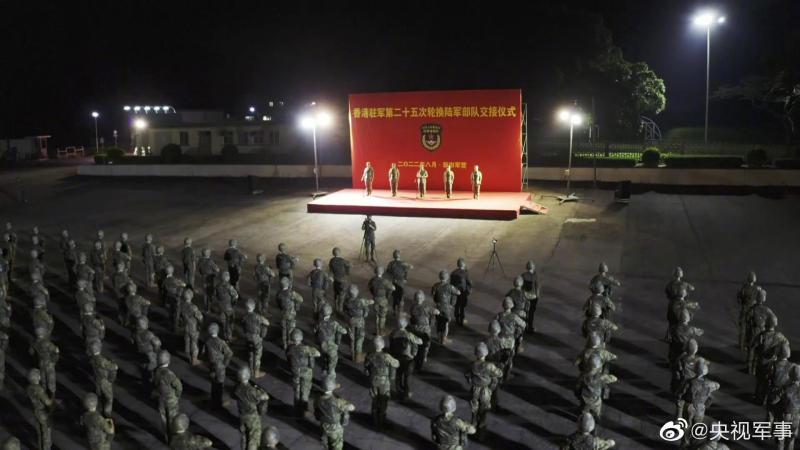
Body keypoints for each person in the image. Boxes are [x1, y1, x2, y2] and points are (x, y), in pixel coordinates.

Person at [465, 342, 503, 438]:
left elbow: (466, 374)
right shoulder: (489, 365)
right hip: (485, 390)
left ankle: (473, 426)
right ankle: (481, 429)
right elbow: (499, 374)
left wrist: (470, 381)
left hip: (474, 389)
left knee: (474, 409)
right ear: (486, 353)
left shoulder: (472, 364)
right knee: (484, 410)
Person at [677, 358, 720, 437]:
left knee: (686, 425)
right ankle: (693, 441)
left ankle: (685, 441)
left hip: (689, 406)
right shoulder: (708, 384)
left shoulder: (689, 382)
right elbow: (717, 387)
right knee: (697, 427)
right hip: (700, 408)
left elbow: (680, 394)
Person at [365, 335, 399, 429]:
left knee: (374, 399)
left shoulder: (369, 356)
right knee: (383, 400)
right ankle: (381, 420)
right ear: (383, 345)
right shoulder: (386, 357)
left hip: (373, 380)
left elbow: (366, 368)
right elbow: (396, 364)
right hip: (384, 382)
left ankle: (374, 419)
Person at [315, 377, 355, 450]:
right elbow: (352, 407)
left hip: (324, 426)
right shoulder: (337, 401)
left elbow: (317, 415)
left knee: (326, 445)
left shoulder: (318, 400)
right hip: (335, 428)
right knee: (337, 446)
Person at [287, 328, 320, 416]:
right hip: (306, 372)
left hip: (295, 371)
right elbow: (318, 354)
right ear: (301, 337)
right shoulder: (305, 348)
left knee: (296, 390)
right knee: (305, 390)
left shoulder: (289, 348)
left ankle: (296, 408)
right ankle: (304, 410)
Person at [235, 367, 270, 450]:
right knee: (253, 440)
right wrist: (260, 390)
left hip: (242, 416)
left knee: (244, 438)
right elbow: (265, 397)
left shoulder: (237, 389)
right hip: (252, 417)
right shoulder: (251, 390)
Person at [576, 354, 618, 421]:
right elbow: (614, 378)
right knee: (597, 406)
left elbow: (578, 385)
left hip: (585, 397)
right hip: (595, 398)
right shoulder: (601, 377)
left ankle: (583, 417)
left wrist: (577, 393)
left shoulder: (583, 375)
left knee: (583, 408)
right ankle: (596, 416)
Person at [389, 316, 422, 400]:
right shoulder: (408, 335)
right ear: (406, 324)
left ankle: (398, 390)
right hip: (407, 358)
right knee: (407, 376)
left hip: (396, 357)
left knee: (398, 375)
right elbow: (420, 341)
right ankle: (407, 392)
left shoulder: (393, 333)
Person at [153, 350, 182, 443]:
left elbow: (155, 384)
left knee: (164, 419)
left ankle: (167, 439)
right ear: (168, 361)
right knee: (173, 419)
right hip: (171, 400)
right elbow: (178, 386)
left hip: (161, 399)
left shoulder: (156, 371)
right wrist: (177, 395)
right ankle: (174, 439)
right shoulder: (169, 374)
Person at [203, 322, 233, 408]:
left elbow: (204, 354)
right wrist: (225, 364)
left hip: (211, 366)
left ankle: (213, 400)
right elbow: (229, 353)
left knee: (213, 383)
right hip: (220, 366)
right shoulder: (221, 342)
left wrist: (208, 362)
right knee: (220, 384)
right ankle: (218, 403)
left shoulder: (207, 341)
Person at [316, 303, 348, 381]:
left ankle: (324, 373)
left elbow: (316, 332)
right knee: (332, 363)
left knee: (325, 359)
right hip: (331, 346)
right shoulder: (334, 323)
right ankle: (330, 380)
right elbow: (344, 331)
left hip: (322, 345)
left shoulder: (318, 323)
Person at [343, 284, 374, 363]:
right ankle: (358, 356)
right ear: (356, 292)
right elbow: (367, 306)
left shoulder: (346, 301)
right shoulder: (360, 301)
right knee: (359, 338)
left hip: (351, 320)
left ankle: (352, 354)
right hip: (359, 321)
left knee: (352, 337)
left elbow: (344, 310)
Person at [410, 290, 439, 372]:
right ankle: (423, 358)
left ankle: (414, 358)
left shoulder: (412, 307)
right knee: (425, 345)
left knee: (415, 344)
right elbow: (435, 312)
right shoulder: (426, 307)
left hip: (415, 328)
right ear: (423, 298)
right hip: (425, 329)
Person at [88, 340, 118, 416]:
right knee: (109, 398)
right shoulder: (101, 360)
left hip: (97, 379)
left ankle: (100, 410)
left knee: (99, 396)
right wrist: (113, 363)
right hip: (105, 381)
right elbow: (113, 367)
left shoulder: (91, 358)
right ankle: (107, 414)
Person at [242, 298, 270, 377]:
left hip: (247, 337)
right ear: (253, 307)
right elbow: (267, 323)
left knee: (250, 353)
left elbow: (243, 327)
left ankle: (250, 370)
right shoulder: (257, 316)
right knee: (257, 354)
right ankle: (256, 372)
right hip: (256, 338)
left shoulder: (244, 317)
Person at [27, 368, 54, 450]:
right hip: (42, 412)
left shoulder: (29, 388)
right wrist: (52, 400)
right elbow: (47, 402)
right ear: (37, 377)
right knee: (46, 432)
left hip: (35, 410)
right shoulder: (39, 389)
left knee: (39, 433)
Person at [431, 270, 460, 344]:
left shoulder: (435, 286)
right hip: (446, 307)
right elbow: (458, 293)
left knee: (438, 322)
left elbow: (433, 295)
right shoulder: (449, 287)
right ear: (447, 278)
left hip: (438, 306)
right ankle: (444, 338)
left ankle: (438, 337)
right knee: (446, 323)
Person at [30, 326, 59, 398]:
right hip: (49, 363)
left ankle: (44, 396)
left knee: (43, 380)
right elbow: (56, 351)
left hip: (41, 363)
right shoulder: (47, 343)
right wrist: (54, 360)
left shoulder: (35, 342)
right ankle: (52, 397)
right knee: (51, 380)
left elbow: (31, 352)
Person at [276, 277, 303, 350]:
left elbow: (278, 304)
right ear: (288, 283)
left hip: (283, 313)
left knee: (284, 328)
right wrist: (297, 306)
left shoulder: (279, 294)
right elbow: (300, 299)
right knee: (291, 328)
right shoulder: (291, 293)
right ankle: (290, 342)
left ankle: (284, 343)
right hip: (291, 314)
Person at [737, 271, 760, 351]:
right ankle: (750, 344)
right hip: (753, 310)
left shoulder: (743, 288)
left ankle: (741, 344)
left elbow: (739, 298)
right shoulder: (757, 289)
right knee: (751, 328)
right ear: (754, 279)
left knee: (743, 328)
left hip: (744, 309)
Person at [386, 249, 413, 316]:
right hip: (401, 282)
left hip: (394, 282)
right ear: (399, 256)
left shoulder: (391, 263)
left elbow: (387, 273)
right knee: (401, 297)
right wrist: (405, 279)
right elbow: (409, 269)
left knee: (395, 297)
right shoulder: (403, 263)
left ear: (393, 256)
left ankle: (394, 311)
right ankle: (400, 310)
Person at [179, 289, 203, 365]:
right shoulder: (193, 307)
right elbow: (200, 317)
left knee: (187, 341)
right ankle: (194, 359)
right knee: (194, 342)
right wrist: (200, 324)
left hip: (185, 326)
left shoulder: (181, 305)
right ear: (191, 296)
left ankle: (188, 355)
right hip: (193, 326)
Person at [368, 266, 395, 335]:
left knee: (376, 315)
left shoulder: (372, 280)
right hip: (383, 300)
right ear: (382, 272)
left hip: (375, 299)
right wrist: (388, 294)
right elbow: (393, 288)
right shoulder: (384, 281)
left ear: (375, 271)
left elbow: (370, 288)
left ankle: (377, 330)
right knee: (382, 316)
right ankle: (381, 330)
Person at [134, 317, 161, 382]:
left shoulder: (135, 334)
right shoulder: (149, 334)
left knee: (143, 370)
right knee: (151, 371)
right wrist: (156, 351)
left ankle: (144, 382)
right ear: (145, 325)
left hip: (140, 355)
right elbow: (157, 343)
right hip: (150, 356)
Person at [215, 271, 239, 341]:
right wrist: (233, 303)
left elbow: (216, 295)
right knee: (230, 322)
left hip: (220, 306)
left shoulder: (217, 286)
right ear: (228, 278)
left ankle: (225, 335)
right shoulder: (229, 287)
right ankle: (229, 337)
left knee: (223, 322)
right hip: (229, 307)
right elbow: (235, 296)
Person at [329, 247, 352, 313]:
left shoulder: (331, 261)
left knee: (336, 294)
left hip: (335, 279)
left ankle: (336, 307)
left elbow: (331, 270)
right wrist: (347, 273)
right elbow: (349, 266)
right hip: (343, 280)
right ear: (340, 252)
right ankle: (340, 309)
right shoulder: (343, 260)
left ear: (333, 253)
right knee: (342, 295)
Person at [450, 258, 472, 327]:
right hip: (463, 292)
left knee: (456, 306)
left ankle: (457, 319)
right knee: (462, 307)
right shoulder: (465, 273)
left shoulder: (453, 273)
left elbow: (451, 283)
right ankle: (462, 320)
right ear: (464, 264)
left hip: (455, 292)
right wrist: (469, 291)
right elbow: (469, 283)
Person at [520, 261, 540, 333]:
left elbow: (521, 287)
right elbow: (537, 287)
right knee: (531, 313)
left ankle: (524, 326)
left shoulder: (523, 275)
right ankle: (530, 328)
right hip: (533, 297)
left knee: (525, 312)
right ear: (533, 267)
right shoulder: (535, 276)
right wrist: (537, 296)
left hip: (525, 296)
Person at [197, 248, 219, 313]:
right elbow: (217, 269)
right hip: (209, 279)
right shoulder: (210, 261)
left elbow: (200, 269)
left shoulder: (200, 260)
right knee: (210, 294)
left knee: (205, 293)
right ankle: (209, 308)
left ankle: (205, 306)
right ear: (209, 254)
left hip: (203, 278)